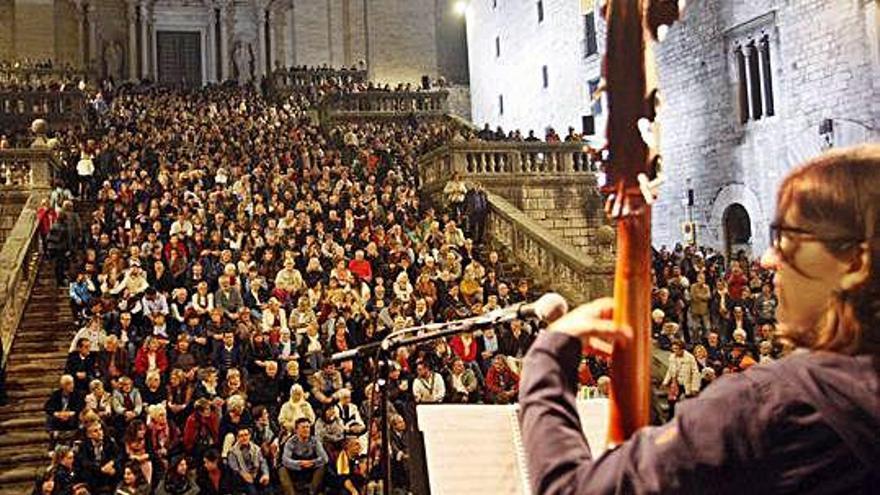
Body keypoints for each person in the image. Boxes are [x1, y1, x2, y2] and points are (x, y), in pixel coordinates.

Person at [519, 145, 880, 493]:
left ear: (855, 263)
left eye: (787, 237)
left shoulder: (769, 409)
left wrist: (549, 355)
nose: (769, 259)